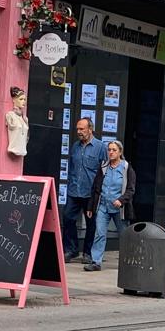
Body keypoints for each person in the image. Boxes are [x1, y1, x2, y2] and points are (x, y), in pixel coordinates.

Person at [85, 140, 134, 271]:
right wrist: (90, 207)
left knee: (124, 235)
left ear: (120, 152)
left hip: (119, 208)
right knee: (99, 233)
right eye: (109, 150)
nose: (111, 152)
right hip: (103, 206)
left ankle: (128, 261)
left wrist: (121, 200)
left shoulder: (126, 168)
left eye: (114, 150)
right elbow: (95, 188)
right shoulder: (103, 166)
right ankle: (96, 262)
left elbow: (131, 189)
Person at [64, 116, 108, 263]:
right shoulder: (75, 146)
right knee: (68, 218)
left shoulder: (101, 147)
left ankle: (88, 253)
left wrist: (100, 191)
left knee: (92, 223)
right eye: (77, 128)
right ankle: (71, 249)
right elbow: (71, 167)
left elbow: (105, 170)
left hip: (90, 193)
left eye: (82, 129)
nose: (79, 131)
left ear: (90, 129)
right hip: (74, 190)